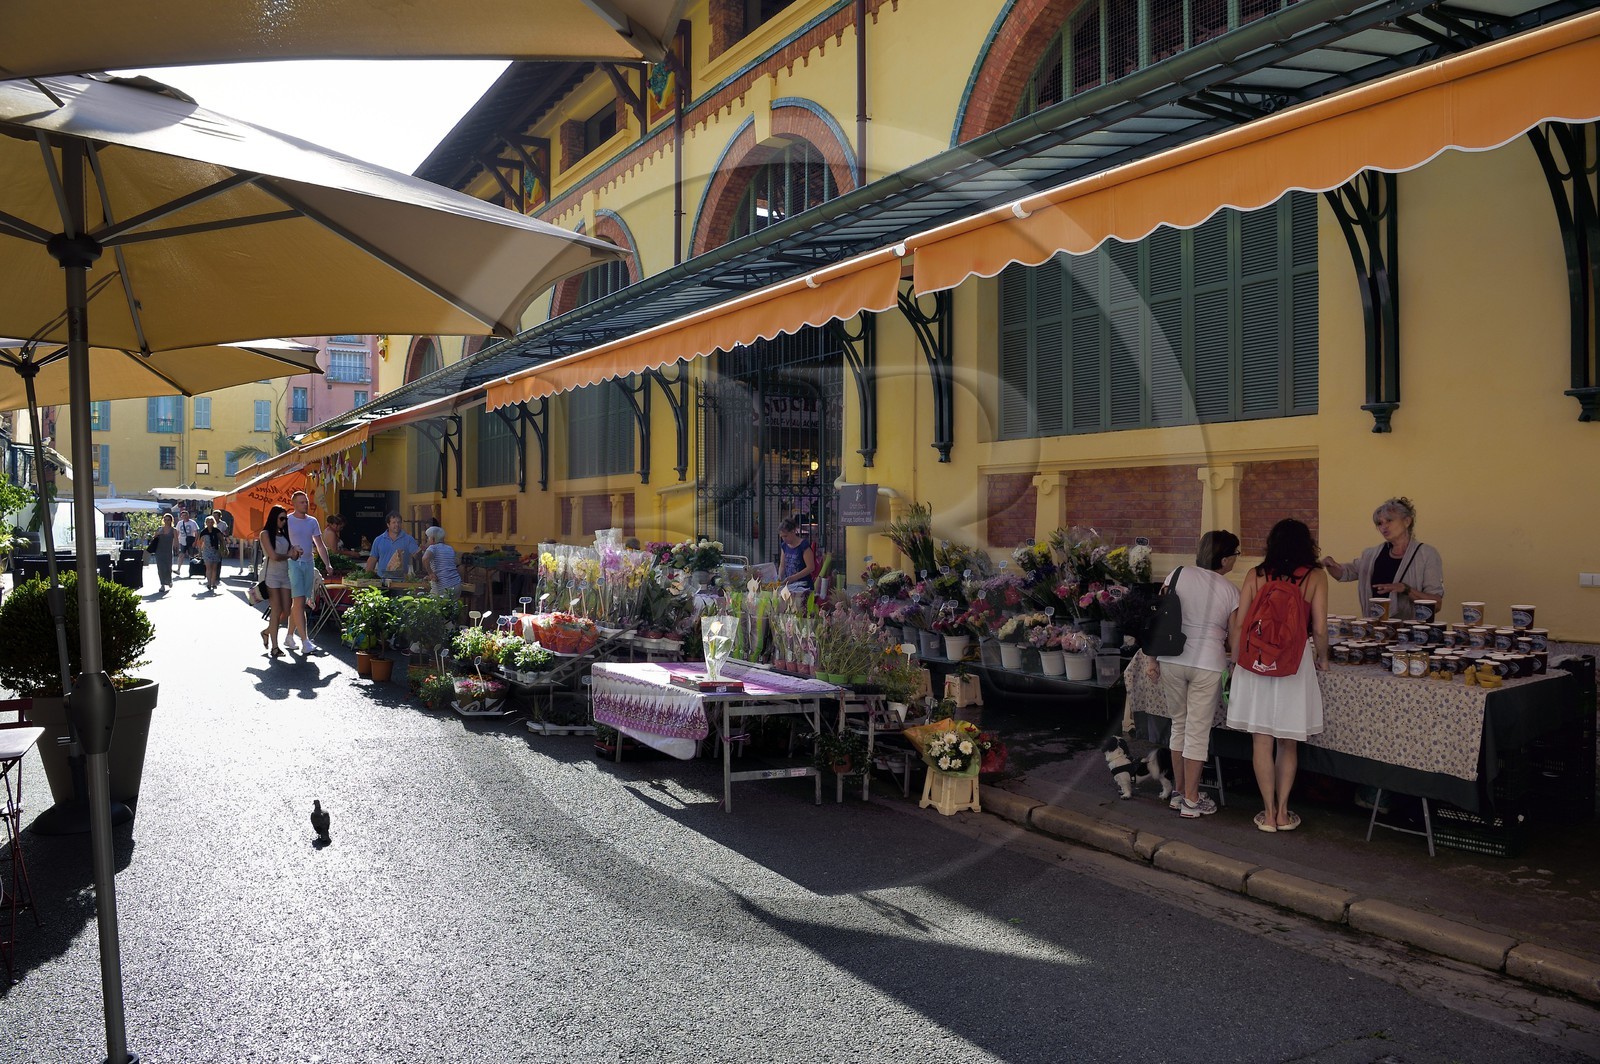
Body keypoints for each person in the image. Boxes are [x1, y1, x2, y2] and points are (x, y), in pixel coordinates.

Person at [1227, 518, 1329, 833]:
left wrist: (1235, 660)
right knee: (1288, 741)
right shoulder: (1316, 577)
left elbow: (1241, 623)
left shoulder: (1255, 575)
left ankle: (1267, 814)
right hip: (1295, 664)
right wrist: (1323, 659)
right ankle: (1285, 812)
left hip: (1257, 664)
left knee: (1261, 740)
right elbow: (1321, 628)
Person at [1144, 530, 1241, 819]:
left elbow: (1157, 616)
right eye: (1236, 554)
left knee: (1179, 726)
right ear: (1224, 559)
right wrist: (1234, 666)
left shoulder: (1177, 573)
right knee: (1197, 732)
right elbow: (1234, 637)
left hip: (1172, 657)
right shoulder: (1230, 590)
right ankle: (1192, 800)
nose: (1237, 560)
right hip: (1209, 663)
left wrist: (1151, 658)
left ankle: (1178, 793)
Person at [1321, 496, 1444, 622]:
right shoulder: (1371, 555)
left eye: (1389, 520)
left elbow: (1437, 604)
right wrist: (1330, 564)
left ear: (1407, 521)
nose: (1384, 526)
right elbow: (1343, 574)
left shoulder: (1426, 554)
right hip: (1375, 633)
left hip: (1410, 634)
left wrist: (1405, 589)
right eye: (1379, 523)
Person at [285, 490, 332, 654]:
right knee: (298, 601)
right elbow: (280, 542)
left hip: (308, 563)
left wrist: (327, 564)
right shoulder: (287, 520)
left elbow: (320, 545)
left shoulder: (312, 521)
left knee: (300, 602)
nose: (305, 504)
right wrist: (290, 550)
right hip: (293, 563)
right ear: (294, 504)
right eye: (302, 502)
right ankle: (305, 641)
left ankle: (290, 636)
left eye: (306, 501)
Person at [258, 505, 295, 658]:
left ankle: (267, 631)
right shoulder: (265, 534)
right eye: (281, 518)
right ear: (274, 518)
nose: (284, 521)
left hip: (285, 575)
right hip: (271, 576)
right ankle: (275, 647)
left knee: (286, 611)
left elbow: (290, 554)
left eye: (286, 519)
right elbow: (273, 556)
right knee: (276, 610)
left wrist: (296, 553)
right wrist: (289, 555)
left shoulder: (284, 533)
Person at [365, 511, 420, 583]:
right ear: (388, 524)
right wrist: (367, 578)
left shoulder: (408, 539)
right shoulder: (379, 539)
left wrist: (420, 550)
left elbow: (416, 556)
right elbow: (373, 558)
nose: (397, 524)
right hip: (382, 580)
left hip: (402, 581)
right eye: (394, 522)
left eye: (399, 522)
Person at [776, 517, 817, 592]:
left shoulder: (803, 546)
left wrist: (793, 577)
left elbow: (811, 567)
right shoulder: (784, 546)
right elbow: (782, 565)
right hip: (790, 586)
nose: (784, 539)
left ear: (793, 531)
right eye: (782, 537)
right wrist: (779, 578)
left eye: (786, 536)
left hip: (804, 586)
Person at [419, 526, 461, 594]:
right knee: (453, 604)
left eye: (428, 538)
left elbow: (425, 559)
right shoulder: (449, 548)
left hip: (443, 585)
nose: (427, 540)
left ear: (433, 539)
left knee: (433, 603)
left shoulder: (432, 547)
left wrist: (431, 573)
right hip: (456, 584)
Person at [149, 513, 177, 593]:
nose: (166, 521)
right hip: (159, 551)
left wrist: (177, 548)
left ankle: (169, 580)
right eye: (165, 519)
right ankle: (162, 585)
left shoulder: (173, 530)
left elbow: (176, 541)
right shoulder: (159, 529)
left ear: (171, 521)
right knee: (160, 568)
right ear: (163, 520)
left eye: (168, 520)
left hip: (168, 551)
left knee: (168, 568)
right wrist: (158, 534)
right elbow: (153, 538)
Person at [198, 515, 224, 592]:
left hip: (215, 551)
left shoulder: (217, 531)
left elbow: (222, 540)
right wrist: (200, 552)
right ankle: (209, 583)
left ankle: (213, 583)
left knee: (214, 568)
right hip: (206, 551)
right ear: (206, 523)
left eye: (212, 522)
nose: (210, 523)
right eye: (208, 522)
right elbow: (200, 543)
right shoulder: (203, 532)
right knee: (208, 567)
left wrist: (224, 548)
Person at [175, 507, 200, 581]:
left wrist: (195, 542)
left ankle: (192, 570)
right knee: (181, 555)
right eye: (183, 515)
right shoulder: (180, 523)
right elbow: (177, 532)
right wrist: (176, 541)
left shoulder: (192, 522)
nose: (184, 517)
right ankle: (178, 569)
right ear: (181, 516)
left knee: (191, 556)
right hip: (182, 541)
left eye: (185, 515)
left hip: (190, 541)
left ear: (188, 516)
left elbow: (196, 532)